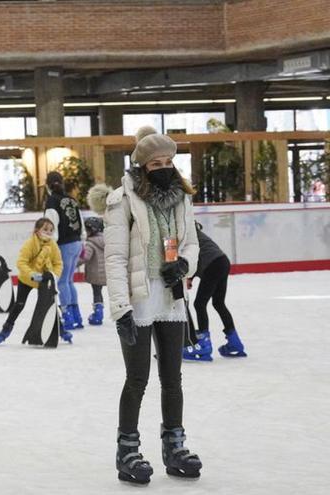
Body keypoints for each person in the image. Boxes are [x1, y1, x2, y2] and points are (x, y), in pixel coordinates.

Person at [98, 126, 202, 484]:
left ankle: (175, 444)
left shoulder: (181, 198)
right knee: (137, 378)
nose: (165, 167)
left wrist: (184, 265)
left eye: (169, 161)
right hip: (137, 300)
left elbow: (191, 243)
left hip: (171, 296)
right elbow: (113, 259)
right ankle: (127, 449)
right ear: (141, 166)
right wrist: (120, 308)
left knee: (173, 377)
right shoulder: (122, 201)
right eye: (156, 162)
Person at [0, 217, 67, 345]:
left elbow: (58, 263)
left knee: (51, 304)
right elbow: (21, 262)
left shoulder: (53, 245)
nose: (48, 232)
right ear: (37, 230)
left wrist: (54, 276)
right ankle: (5, 330)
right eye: (45, 229)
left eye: (51, 230)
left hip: (45, 280)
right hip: (26, 279)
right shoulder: (30, 243)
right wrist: (32, 274)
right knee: (19, 304)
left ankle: (62, 330)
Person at [182, 221, 247, 361]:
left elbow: (193, 257)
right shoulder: (195, 232)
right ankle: (235, 342)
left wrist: (189, 277)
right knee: (218, 303)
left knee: (199, 304)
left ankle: (204, 345)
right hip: (222, 261)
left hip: (212, 265)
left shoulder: (187, 235)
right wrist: (190, 278)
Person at [43, 170, 85, 330]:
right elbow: (80, 221)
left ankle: (67, 315)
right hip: (76, 243)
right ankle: (77, 316)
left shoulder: (52, 201)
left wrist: (49, 245)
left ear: (48, 185)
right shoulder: (72, 199)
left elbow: (50, 226)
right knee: (69, 280)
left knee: (62, 281)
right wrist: (82, 240)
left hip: (64, 244)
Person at [77, 216, 106, 326]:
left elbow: (85, 257)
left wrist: (74, 263)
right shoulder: (106, 240)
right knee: (100, 293)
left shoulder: (90, 243)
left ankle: (98, 315)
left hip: (95, 274)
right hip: (106, 273)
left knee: (97, 293)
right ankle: (100, 312)